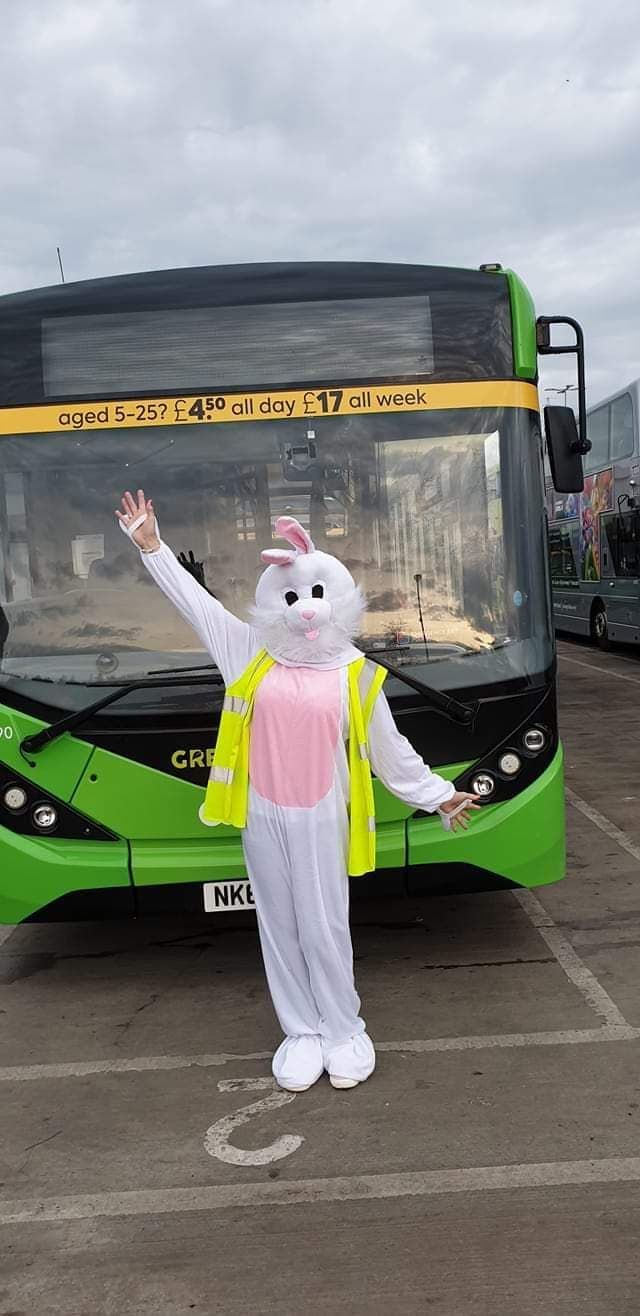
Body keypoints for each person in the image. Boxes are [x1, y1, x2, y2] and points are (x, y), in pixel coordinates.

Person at [116, 489, 479, 1093]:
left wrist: (438, 794)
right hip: (261, 816)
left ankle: (344, 1028)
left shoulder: (358, 676)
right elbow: (197, 606)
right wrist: (152, 547)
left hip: (321, 818)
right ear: (271, 606)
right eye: (291, 598)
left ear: (337, 603)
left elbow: (393, 754)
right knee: (277, 923)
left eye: (315, 596)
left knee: (324, 923)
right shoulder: (248, 657)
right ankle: (301, 1031)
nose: (304, 609)